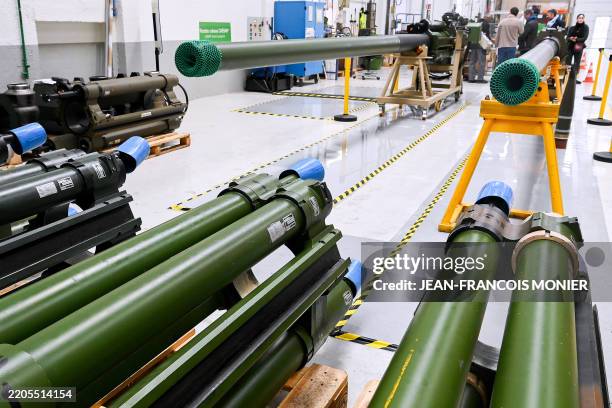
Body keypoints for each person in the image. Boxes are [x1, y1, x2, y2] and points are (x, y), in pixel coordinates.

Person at [567, 14, 589, 82]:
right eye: (579, 18)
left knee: (577, 63)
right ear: (577, 19)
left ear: (583, 19)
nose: (580, 19)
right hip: (570, 46)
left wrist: (576, 39)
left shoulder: (585, 27)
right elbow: (567, 37)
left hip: (578, 47)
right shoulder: (572, 28)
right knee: (568, 62)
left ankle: (574, 79)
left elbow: (584, 38)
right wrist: (571, 38)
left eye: (582, 18)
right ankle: (567, 77)